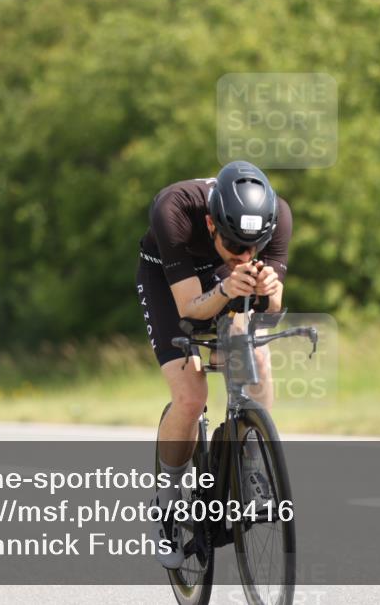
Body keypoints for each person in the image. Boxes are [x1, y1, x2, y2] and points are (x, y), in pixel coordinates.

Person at [136, 160, 292, 569]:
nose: (246, 256)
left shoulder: (278, 217)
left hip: (223, 283)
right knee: (191, 396)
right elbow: (189, 309)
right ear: (210, 223)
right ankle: (167, 503)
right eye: (235, 246)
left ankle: (250, 463)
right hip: (172, 283)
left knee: (253, 353)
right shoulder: (174, 210)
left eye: (253, 248)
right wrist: (226, 285)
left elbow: (269, 314)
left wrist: (270, 294)